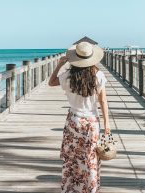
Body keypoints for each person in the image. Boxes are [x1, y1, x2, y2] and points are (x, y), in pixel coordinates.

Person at [48, 41, 110, 193]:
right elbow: (103, 101)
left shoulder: (68, 76)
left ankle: (71, 189)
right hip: (92, 123)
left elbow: (51, 82)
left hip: (74, 121)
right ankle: (91, 189)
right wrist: (107, 124)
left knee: (72, 158)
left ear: (75, 59)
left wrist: (59, 64)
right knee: (90, 158)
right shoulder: (99, 76)